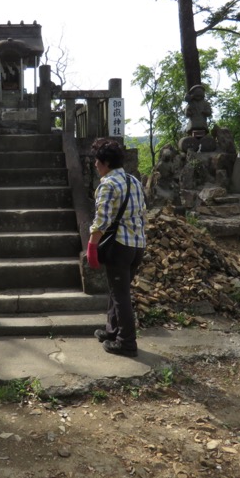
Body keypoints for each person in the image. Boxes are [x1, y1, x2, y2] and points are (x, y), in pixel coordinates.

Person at [86, 138, 147, 357]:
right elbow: (141, 213)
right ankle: (112, 332)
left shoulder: (108, 184)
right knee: (117, 290)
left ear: (106, 163)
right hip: (137, 245)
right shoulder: (133, 181)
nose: (95, 165)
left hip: (119, 246)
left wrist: (92, 246)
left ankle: (127, 342)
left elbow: (102, 219)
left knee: (121, 296)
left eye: (97, 160)